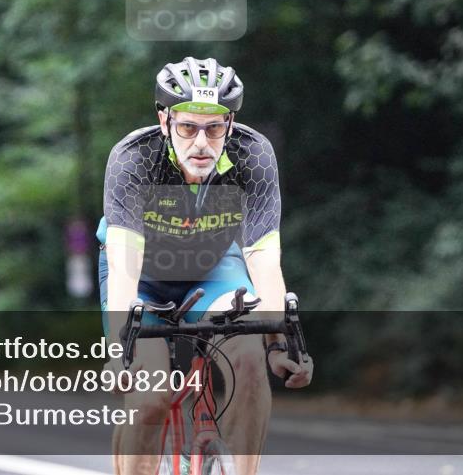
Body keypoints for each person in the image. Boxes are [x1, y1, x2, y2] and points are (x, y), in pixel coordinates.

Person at [99, 57, 313, 475]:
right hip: (142, 277)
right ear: (165, 121)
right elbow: (125, 266)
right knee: (150, 396)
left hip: (215, 270)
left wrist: (279, 345)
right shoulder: (133, 158)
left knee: (251, 360)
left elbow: (264, 260)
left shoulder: (254, 156)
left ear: (230, 125)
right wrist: (116, 353)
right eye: (188, 127)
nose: (201, 142)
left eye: (214, 128)